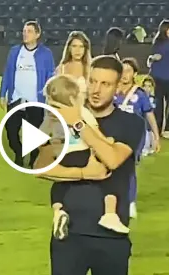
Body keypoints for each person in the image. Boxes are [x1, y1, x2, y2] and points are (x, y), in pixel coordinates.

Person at [36, 55, 146, 275]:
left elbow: (112, 159)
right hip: (68, 235)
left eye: (105, 84)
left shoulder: (130, 123)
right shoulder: (60, 118)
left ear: (117, 87)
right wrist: (83, 172)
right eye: (93, 81)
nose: (96, 90)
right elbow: (40, 166)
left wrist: (78, 124)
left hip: (110, 236)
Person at [41, 75, 130, 239]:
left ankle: (58, 211)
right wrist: (106, 142)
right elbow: (94, 131)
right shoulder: (81, 113)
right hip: (83, 153)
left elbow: (45, 138)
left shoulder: (50, 116)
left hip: (63, 156)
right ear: (73, 98)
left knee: (60, 184)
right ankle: (110, 214)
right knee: (110, 174)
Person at [0, 20, 55, 168]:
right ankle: (19, 152)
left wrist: (49, 97)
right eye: (24, 31)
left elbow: (51, 76)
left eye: (29, 31)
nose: (25, 34)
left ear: (37, 34)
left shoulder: (46, 54)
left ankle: (33, 159)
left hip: (36, 100)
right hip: (16, 99)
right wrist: (2, 93)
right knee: (11, 131)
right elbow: (7, 72)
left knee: (35, 133)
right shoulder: (15, 51)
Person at [113, 58, 160, 219]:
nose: (125, 75)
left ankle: (130, 202)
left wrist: (156, 136)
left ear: (135, 73)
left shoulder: (139, 94)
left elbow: (149, 114)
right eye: (123, 70)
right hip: (113, 135)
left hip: (134, 136)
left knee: (129, 168)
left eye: (128, 71)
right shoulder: (111, 91)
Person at [141, 76, 157, 155]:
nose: (147, 88)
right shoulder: (139, 98)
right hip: (143, 127)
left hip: (149, 127)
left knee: (153, 146)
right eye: (145, 86)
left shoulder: (153, 99)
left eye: (149, 86)